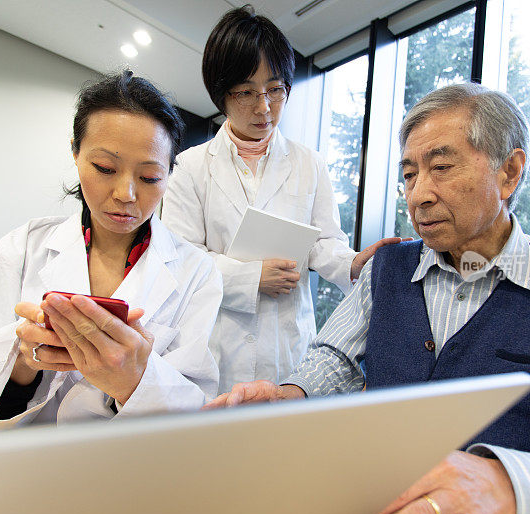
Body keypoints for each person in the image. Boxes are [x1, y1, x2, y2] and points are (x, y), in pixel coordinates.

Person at [206, 83, 530, 514]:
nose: (419, 195)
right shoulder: (386, 267)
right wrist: (294, 395)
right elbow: (335, 359)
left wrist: (514, 489)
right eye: (409, 174)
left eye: (441, 167)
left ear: (509, 171)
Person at [0, 71, 222, 431]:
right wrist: (20, 365)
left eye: (149, 177)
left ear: (168, 175)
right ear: (76, 155)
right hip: (16, 467)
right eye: (105, 168)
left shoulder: (197, 272)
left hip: (130, 471)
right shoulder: (20, 251)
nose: (126, 193)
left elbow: (197, 413)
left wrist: (135, 381)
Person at [161, 5, 400, 394]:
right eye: (247, 92)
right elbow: (179, 259)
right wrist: (251, 277)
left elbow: (324, 243)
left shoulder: (309, 162)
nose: (264, 107)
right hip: (216, 345)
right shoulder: (189, 166)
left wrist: (352, 263)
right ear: (221, 94)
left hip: (288, 344)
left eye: (275, 89)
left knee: (286, 445)